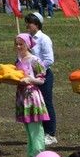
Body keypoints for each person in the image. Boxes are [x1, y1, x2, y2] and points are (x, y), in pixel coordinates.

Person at [14, 32, 49, 157]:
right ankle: (32, 156)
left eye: (21, 44)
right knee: (28, 127)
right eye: (16, 44)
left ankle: (38, 156)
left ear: (27, 45)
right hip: (22, 96)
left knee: (35, 127)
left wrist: (30, 79)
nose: (18, 47)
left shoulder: (34, 60)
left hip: (32, 96)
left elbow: (42, 79)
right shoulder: (18, 60)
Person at [24, 12, 57, 146]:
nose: (27, 26)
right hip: (31, 77)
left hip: (44, 76)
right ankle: (40, 132)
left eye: (29, 23)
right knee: (37, 104)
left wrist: (37, 69)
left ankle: (51, 133)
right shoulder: (26, 38)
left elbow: (49, 59)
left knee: (46, 103)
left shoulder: (44, 39)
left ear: (37, 24)